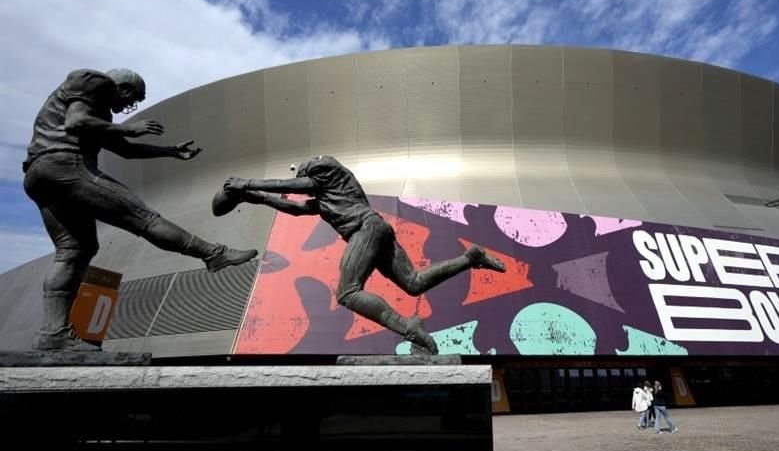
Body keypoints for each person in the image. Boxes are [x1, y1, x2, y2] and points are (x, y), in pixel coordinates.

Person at [22, 68, 259, 352]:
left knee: (74, 251)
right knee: (143, 218)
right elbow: (75, 123)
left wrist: (170, 151)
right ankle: (213, 254)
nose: (129, 108)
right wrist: (127, 127)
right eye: (133, 99)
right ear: (121, 87)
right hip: (64, 164)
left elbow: (125, 150)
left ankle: (53, 334)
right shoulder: (92, 80)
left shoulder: (102, 117)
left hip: (39, 176)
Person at [212, 154, 506, 354]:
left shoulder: (324, 171)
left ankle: (408, 326)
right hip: (377, 229)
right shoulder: (328, 198)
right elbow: (297, 208)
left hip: (365, 229)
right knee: (414, 283)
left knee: (347, 292)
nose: (307, 190)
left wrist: (247, 182)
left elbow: (298, 187)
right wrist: (256, 197)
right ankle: (470, 258)